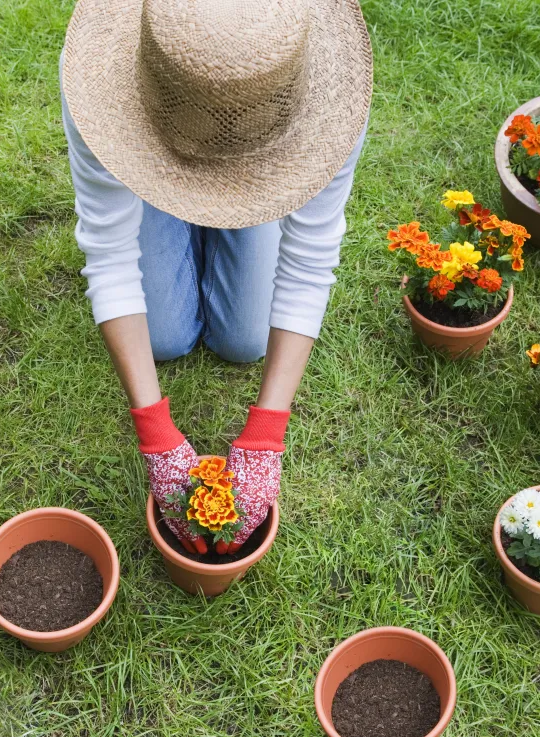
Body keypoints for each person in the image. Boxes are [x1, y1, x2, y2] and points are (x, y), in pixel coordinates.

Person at [60, 0, 372, 554]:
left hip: (259, 141)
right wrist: (155, 432)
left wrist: (267, 434)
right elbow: (108, 253)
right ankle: (169, 196)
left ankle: (228, 196)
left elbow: (310, 259)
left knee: (244, 340)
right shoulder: (100, 91)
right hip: (155, 131)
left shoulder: (329, 103)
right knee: (166, 339)